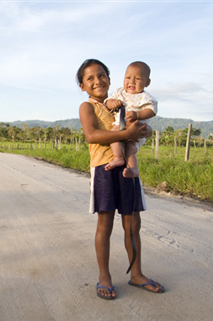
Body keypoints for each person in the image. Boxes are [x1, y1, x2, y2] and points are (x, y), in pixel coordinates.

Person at [77, 59, 165, 300]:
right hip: (103, 168)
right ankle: (104, 277)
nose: (97, 81)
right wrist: (128, 132)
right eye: (90, 78)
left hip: (127, 167)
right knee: (105, 224)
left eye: (101, 75)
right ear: (83, 86)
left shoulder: (122, 102)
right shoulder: (88, 107)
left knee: (133, 224)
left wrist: (142, 131)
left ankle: (136, 274)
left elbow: (140, 127)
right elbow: (92, 135)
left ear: (109, 78)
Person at [104, 61, 157, 177]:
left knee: (129, 148)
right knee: (116, 138)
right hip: (120, 126)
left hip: (136, 128)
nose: (131, 81)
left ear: (147, 82)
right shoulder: (120, 93)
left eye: (137, 79)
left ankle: (130, 166)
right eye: (128, 77)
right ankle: (123, 162)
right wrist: (113, 103)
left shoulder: (145, 97)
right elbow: (107, 102)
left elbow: (152, 111)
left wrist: (137, 115)